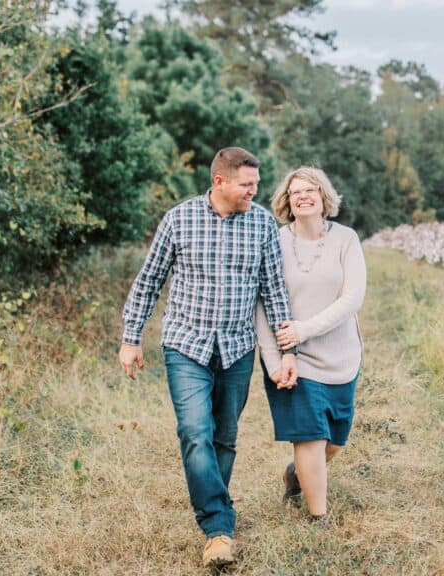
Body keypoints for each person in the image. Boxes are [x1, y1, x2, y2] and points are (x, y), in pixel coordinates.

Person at [118, 147, 298, 567]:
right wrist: (131, 339)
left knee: (225, 438)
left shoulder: (262, 224)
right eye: (246, 185)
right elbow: (148, 283)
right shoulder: (179, 219)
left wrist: (288, 351)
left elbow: (274, 291)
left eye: (256, 184)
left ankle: (213, 507)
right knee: (195, 431)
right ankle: (218, 526)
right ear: (220, 182)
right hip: (186, 345)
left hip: (236, 346)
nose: (254, 191)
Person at [255, 166, 366, 527]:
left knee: (334, 440)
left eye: (310, 190)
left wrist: (306, 329)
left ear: (323, 197)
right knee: (310, 438)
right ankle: (319, 517)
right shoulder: (275, 241)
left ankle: (297, 474)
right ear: (286, 201)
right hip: (293, 359)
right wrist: (274, 359)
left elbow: (352, 297)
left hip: (340, 355)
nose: (303, 196)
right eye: (295, 191)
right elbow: (261, 302)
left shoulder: (346, 239)